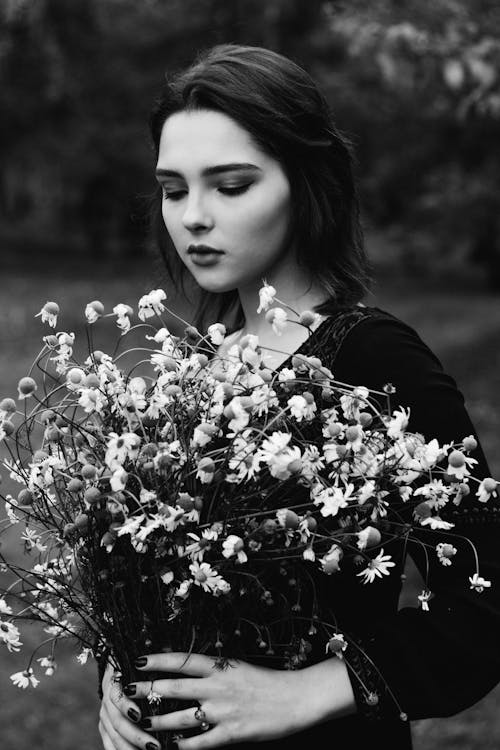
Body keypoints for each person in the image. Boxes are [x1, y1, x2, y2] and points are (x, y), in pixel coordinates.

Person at [97, 44, 500, 750]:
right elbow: (151, 569)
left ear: (307, 183)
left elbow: (487, 589)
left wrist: (308, 692)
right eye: (172, 188)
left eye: (230, 185)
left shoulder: (371, 359)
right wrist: (119, 670)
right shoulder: (198, 361)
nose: (192, 217)